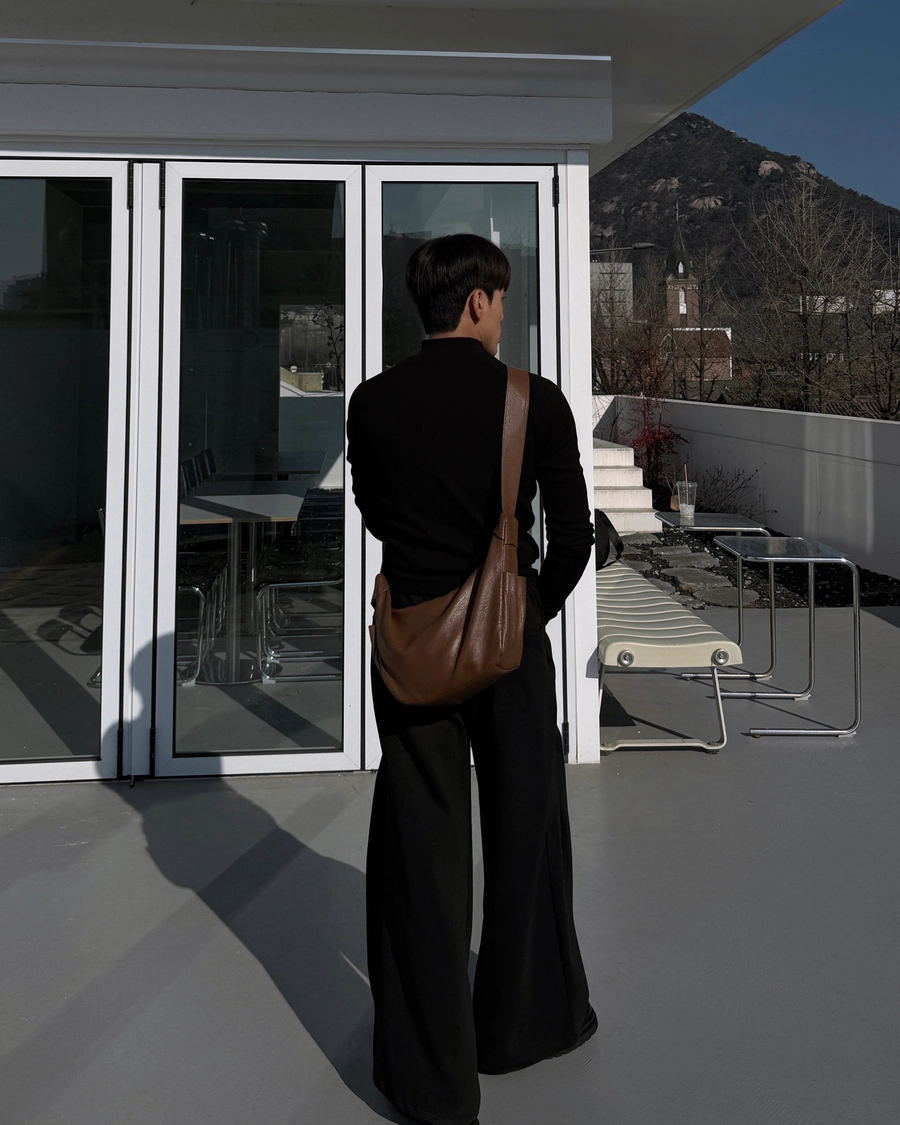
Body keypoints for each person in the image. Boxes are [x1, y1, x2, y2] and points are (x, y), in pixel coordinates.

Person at [347, 233, 596, 1125]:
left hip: (412, 642)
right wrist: (525, 615)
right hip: (509, 648)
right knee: (527, 832)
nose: (502, 315)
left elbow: (376, 513)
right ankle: (519, 1028)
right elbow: (574, 538)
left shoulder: (372, 403)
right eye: (500, 299)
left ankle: (432, 1081)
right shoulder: (533, 399)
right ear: (479, 301)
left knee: (421, 849)